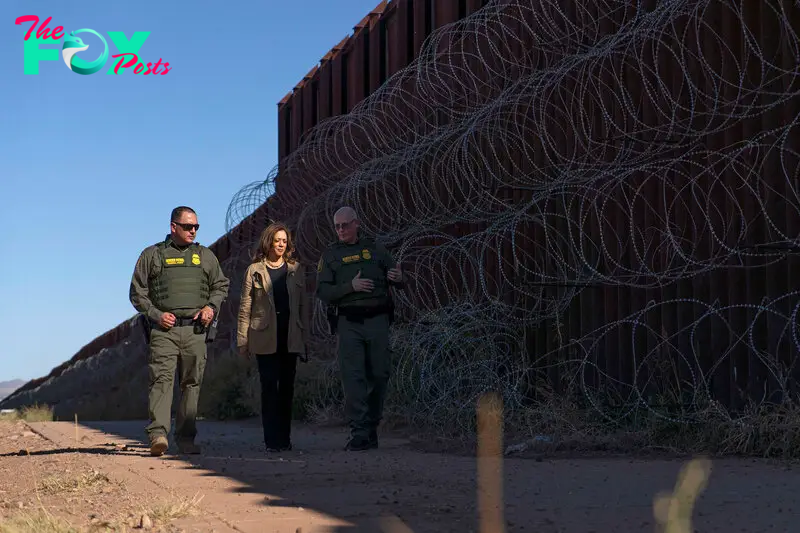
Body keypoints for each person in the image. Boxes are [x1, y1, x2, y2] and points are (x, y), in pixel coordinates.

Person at [129, 206, 230, 457]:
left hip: (195, 331)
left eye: (196, 226)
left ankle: (186, 438)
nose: (193, 231)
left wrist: (211, 306)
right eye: (187, 226)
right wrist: (156, 315)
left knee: (191, 384)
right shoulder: (152, 255)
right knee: (161, 382)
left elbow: (221, 285)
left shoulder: (205, 256)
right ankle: (158, 435)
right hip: (165, 331)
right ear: (173, 227)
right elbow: (137, 292)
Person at [316, 206, 404, 451]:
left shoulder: (375, 250)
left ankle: (372, 426)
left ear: (357, 224)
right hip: (349, 322)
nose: (341, 230)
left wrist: (398, 278)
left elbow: (396, 275)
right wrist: (350, 287)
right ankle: (359, 431)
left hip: (377, 320)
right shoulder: (331, 256)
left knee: (379, 374)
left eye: (345, 225)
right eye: (337, 226)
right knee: (353, 377)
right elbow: (322, 291)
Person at [237, 222, 309, 452]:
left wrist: (304, 338)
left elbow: (303, 306)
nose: (281, 244)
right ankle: (271, 440)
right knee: (269, 388)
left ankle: (284, 440)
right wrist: (242, 341)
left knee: (287, 388)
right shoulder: (255, 270)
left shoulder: (296, 269)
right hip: (263, 336)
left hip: (290, 335)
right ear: (268, 242)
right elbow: (244, 308)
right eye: (277, 240)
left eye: (284, 241)